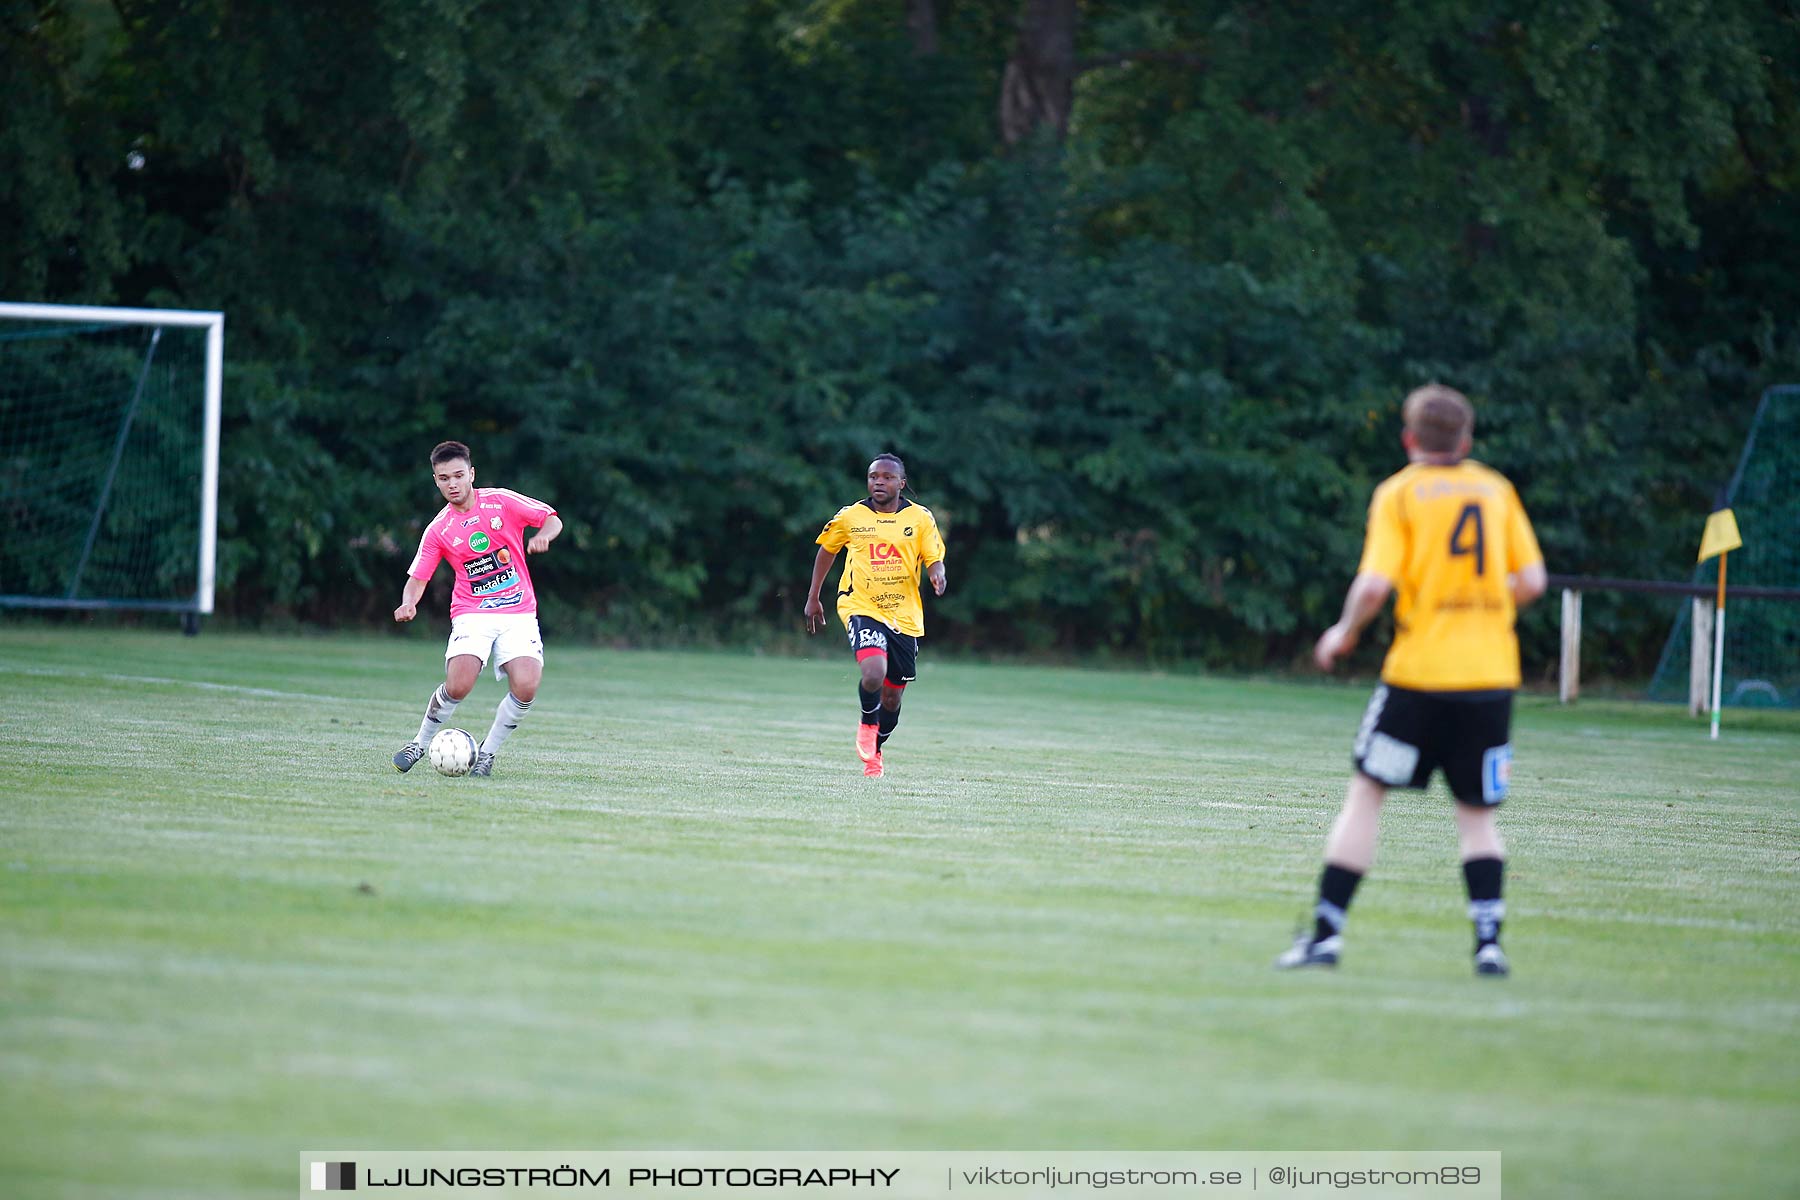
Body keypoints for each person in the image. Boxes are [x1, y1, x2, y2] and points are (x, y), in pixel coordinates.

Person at [1279, 384, 1546, 977]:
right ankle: (1488, 945)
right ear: (1467, 440)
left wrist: (1342, 634)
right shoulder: (1496, 490)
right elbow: (1531, 581)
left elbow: (1374, 586)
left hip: (1418, 675)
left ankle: (1325, 938)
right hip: (1489, 678)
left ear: (1409, 439)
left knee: (1367, 794)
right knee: (1476, 815)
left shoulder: (1399, 493)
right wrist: (1481, 601)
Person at [391, 440, 563, 778]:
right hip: (473, 612)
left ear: (472, 473)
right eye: (443, 479)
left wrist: (544, 535)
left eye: (458, 475)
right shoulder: (439, 529)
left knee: (527, 686)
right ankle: (419, 744)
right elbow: (418, 576)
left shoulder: (502, 501)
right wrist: (408, 602)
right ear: (436, 480)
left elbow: (552, 519)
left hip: (519, 613)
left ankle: (486, 754)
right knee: (459, 685)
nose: (452, 484)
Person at [804, 453, 947, 778]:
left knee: (893, 697)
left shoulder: (920, 518)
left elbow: (933, 556)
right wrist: (813, 597)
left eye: (886, 477)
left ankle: (876, 751)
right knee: (873, 672)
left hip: (904, 616)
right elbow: (827, 549)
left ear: (902, 483)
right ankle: (868, 722)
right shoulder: (851, 516)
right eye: (873, 477)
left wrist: (938, 573)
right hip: (861, 605)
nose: (878, 482)